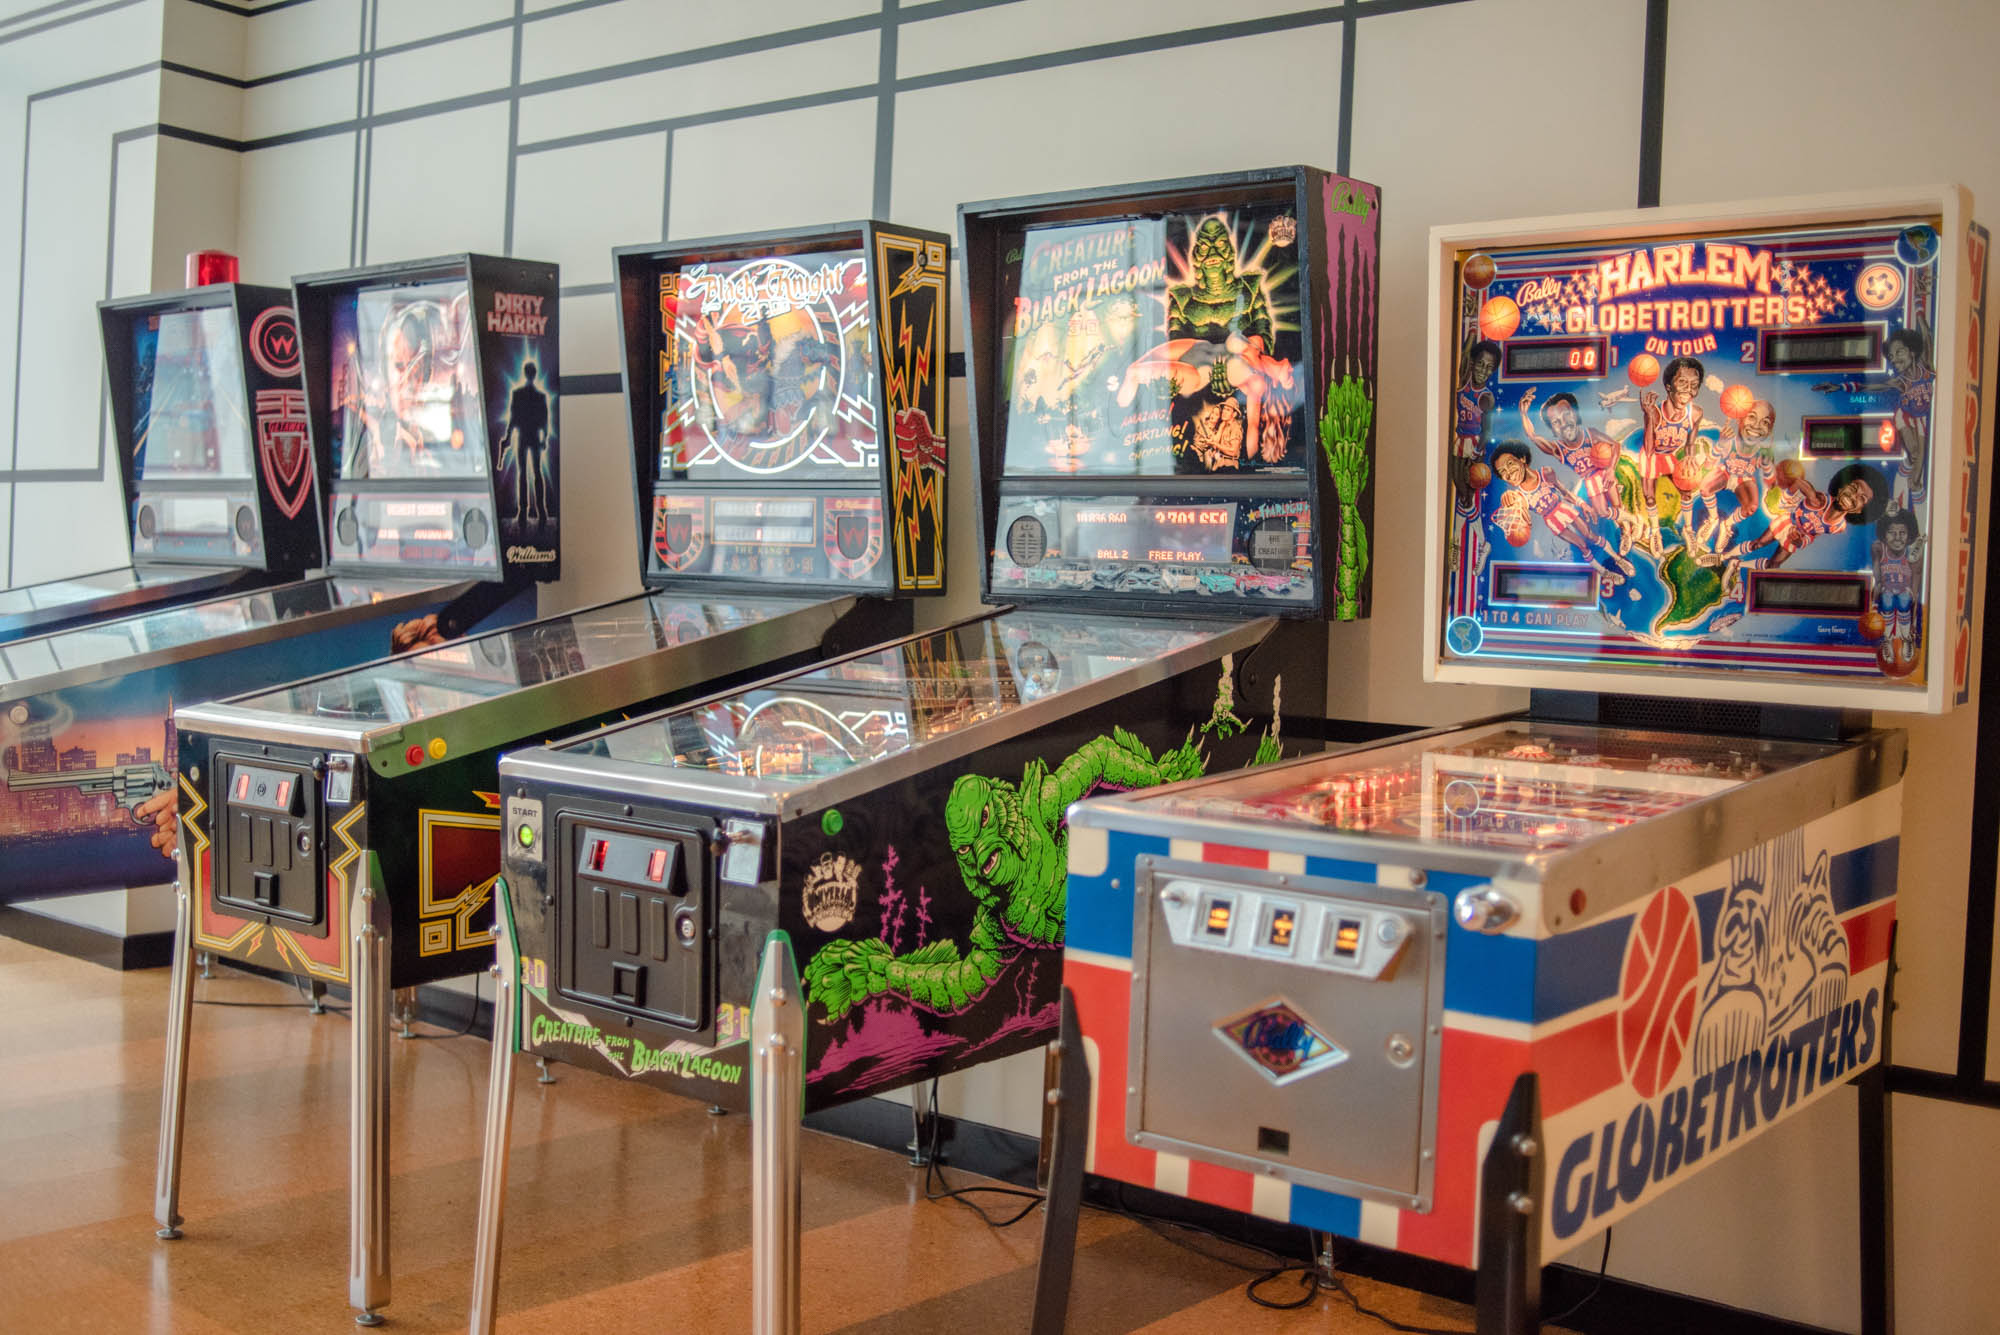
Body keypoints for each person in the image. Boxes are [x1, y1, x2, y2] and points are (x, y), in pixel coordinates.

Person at [1489, 440, 1634, 580]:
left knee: (1591, 536)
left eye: (1510, 463)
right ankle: (1604, 572)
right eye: (1503, 472)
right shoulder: (1518, 496)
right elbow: (1515, 506)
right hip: (1552, 521)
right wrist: (1507, 499)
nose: (1509, 471)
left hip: (1563, 509)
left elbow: (1564, 492)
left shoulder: (1545, 473)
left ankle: (1617, 559)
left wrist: (1582, 504)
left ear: (1522, 459)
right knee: (1582, 546)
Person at [1637, 356, 1707, 553]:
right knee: (1650, 498)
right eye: (1682, 382)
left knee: (1687, 491)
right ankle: (1655, 533)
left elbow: (1690, 442)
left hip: (1667, 455)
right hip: (1651, 456)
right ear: (1668, 386)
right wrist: (1649, 416)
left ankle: (1688, 530)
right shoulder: (1656, 412)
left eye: (1694, 384)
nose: (1688, 389)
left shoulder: (1695, 413)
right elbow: (1649, 449)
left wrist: (1690, 456)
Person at [1518, 386, 1618, 522]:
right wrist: (1523, 414)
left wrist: (1611, 469)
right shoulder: (1558, 450)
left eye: (1566, 414)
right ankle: (1628, 525)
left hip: (1605, 473)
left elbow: (1615, 445)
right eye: (1556, 422)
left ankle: (1631, 525)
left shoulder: (1590, 434)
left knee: (1618, 505)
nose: (1564, 423)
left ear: (1576, 414)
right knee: (1603, 512)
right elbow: (1532, 436)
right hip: (1590, 480)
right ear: (1552, 430)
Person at [504, 362, 550, 523]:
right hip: (529, 436)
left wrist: (509, 436)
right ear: (534, 374)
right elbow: (543, 420)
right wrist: (545, 437)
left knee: (527, 474)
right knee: (533, 474)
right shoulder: (539, 396)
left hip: (526, 436)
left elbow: (514, 418)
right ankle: (536, 511)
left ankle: (529, 511)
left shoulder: (519, 394)